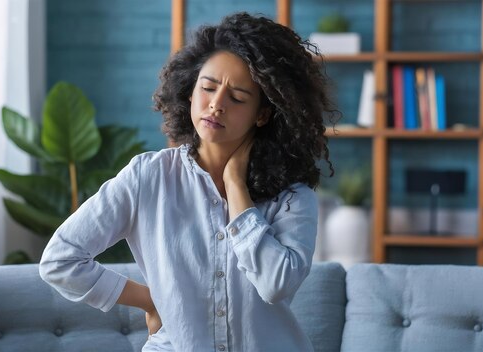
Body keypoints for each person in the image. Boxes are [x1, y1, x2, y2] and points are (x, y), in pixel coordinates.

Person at [40, 12, 336, 352]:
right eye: (208, 87)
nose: (216, 104)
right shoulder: (147, 177)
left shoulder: (292, 197)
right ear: (190, 91)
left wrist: (236, 186)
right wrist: (149, 300)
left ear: (263, 114)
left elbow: (276, 284)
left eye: (237, 97)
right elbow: (60, 259)